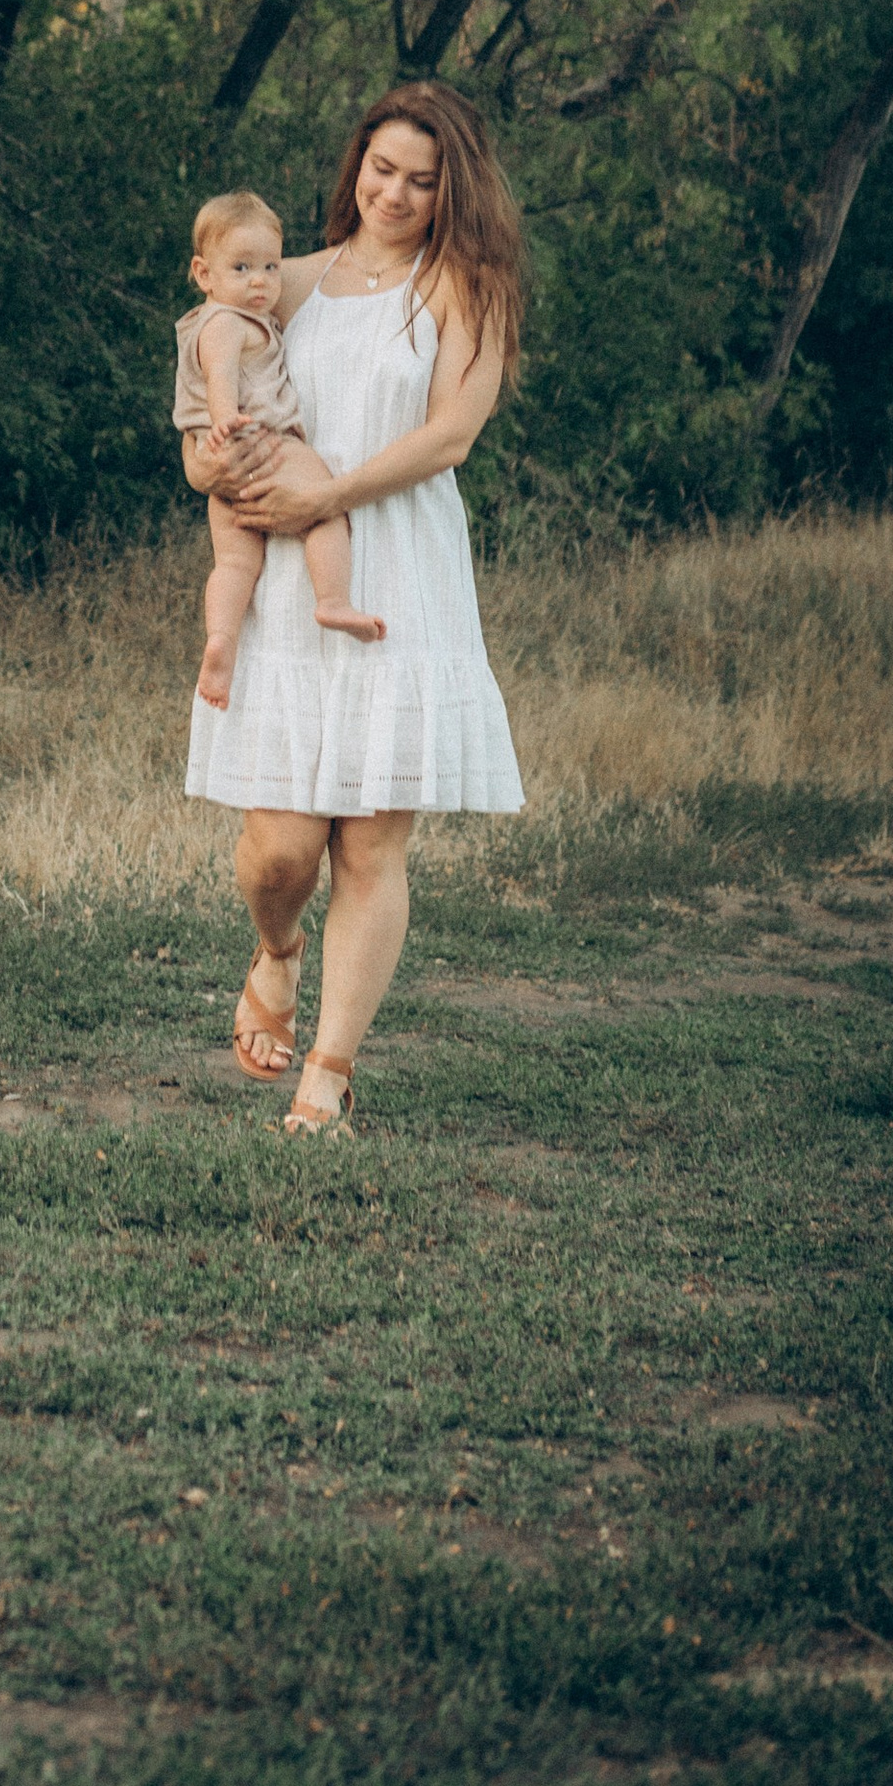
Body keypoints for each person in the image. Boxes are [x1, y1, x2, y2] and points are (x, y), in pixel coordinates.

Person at [182, 84, 527, 1138]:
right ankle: (276, 953)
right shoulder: (291, 279)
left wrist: (325, 494)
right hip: (287, 581)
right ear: (355, 166)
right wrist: (202, 452)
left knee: (371, 847)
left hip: (398, 574)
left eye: (422, 181)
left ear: (450, 191)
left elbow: (450, 437)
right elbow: (207, 341)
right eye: (381, 169)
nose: (395, 193)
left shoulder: (464, 286)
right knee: (281, 850)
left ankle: (327, 1072)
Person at [176, 188, 383, 707]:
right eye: (242, 268)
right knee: (325, 505)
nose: (261, 280)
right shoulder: (227, 323)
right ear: (205, 275)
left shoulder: (212, 321)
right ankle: (333, 600)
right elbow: (220, 378)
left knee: (236, 565)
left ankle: (221, 639)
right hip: (260, 443)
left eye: (270, 266)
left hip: (223, 472)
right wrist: (228, 424)